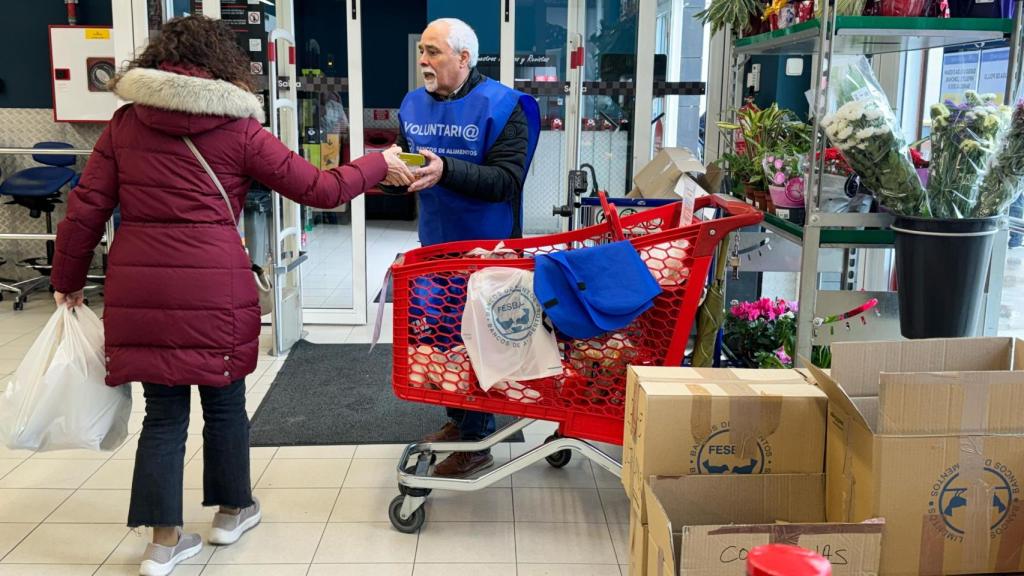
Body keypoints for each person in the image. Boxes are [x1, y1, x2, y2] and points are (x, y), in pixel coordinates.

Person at [49, 16, 413, 576]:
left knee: (163, 415)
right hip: (216, 283)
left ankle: (163, 544)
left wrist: (66, 280)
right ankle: (230, 512)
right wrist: (376, 164)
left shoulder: (124, 125)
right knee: (224, 403)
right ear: (223, 65)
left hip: (140, 285)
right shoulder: (241, 130)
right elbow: (319, 189)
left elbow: (84, 212)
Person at [386, 17, 540, 478]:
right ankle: (460, 422)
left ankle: (479, 440)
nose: (423, 60)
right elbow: (404, 162)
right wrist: (393, 178)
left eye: (433, 52)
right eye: (422, 52)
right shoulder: (412, 105)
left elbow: (507, 181)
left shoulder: (506, 105)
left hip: (487, 251)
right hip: (434, 247)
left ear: (464, 58)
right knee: (443, 341)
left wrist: (446, 170)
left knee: (479, 343)